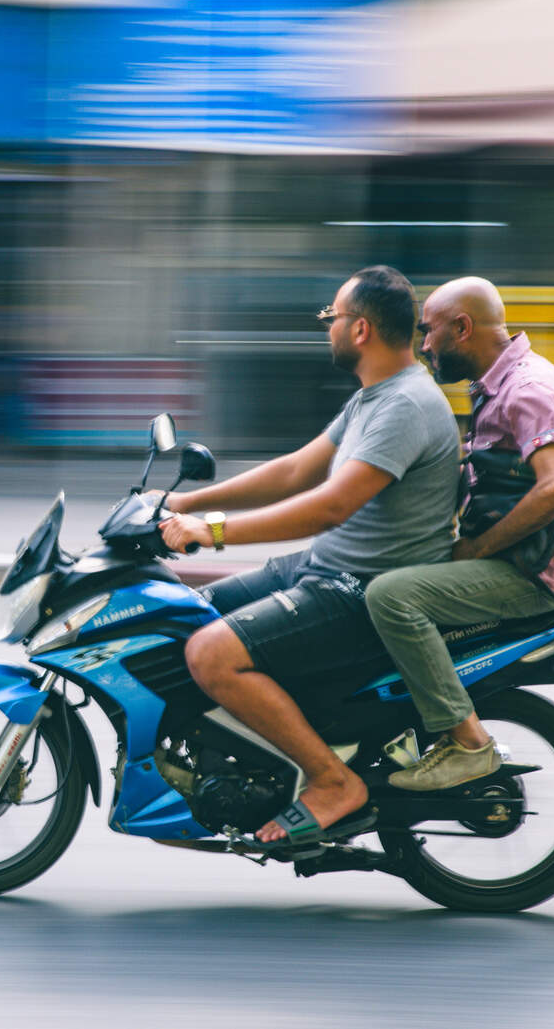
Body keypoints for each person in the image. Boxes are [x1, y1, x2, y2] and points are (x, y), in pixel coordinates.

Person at [157, 265, 460, 845]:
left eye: (332, 318)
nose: (327, 328)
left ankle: (331, 780)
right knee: (181, 610)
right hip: (326, 566)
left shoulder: (405, 406)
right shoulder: (374, 398)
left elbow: (326, 507)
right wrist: (184, 501)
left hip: (359, 589)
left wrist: (209, 532)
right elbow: (297, 470)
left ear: (362, 329)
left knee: (211, 655)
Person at [364, 277, 554, 792]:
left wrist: (473, 549)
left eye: (429, 332)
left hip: (532, 574)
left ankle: (468, 744)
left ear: (463, 328)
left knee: (392, 598)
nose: (424, 344)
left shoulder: (528, 390)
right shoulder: (500, 385)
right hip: (517, 559)